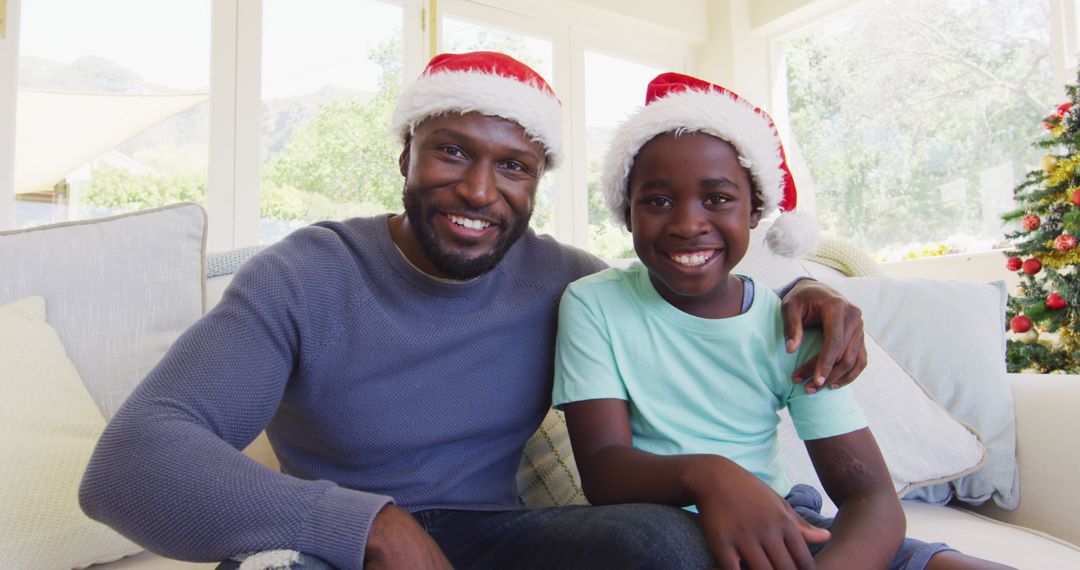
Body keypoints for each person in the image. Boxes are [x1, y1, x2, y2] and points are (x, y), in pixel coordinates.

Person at [80, 52, 867, 570]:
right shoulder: (305, 274)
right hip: (335, 551)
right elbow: (129, 465)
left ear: (535, 183)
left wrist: (803, 291)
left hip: (498, 540)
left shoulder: (564, 282)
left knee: (659, 542)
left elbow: (687, 279)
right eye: (452, 151)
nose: (481, 191)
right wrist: (368, 524)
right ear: (406, 156)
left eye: (514, 167)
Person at [553, 72, 1013, 570]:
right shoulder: (593, 303)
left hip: (781, 527)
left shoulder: (794, 325)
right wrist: (712, 476)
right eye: (658, 201)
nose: (687, 224)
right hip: (657, 531)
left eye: (718, 198)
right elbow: (603, 471)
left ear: (755, 210)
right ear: (627, 213)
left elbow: (871, 501)